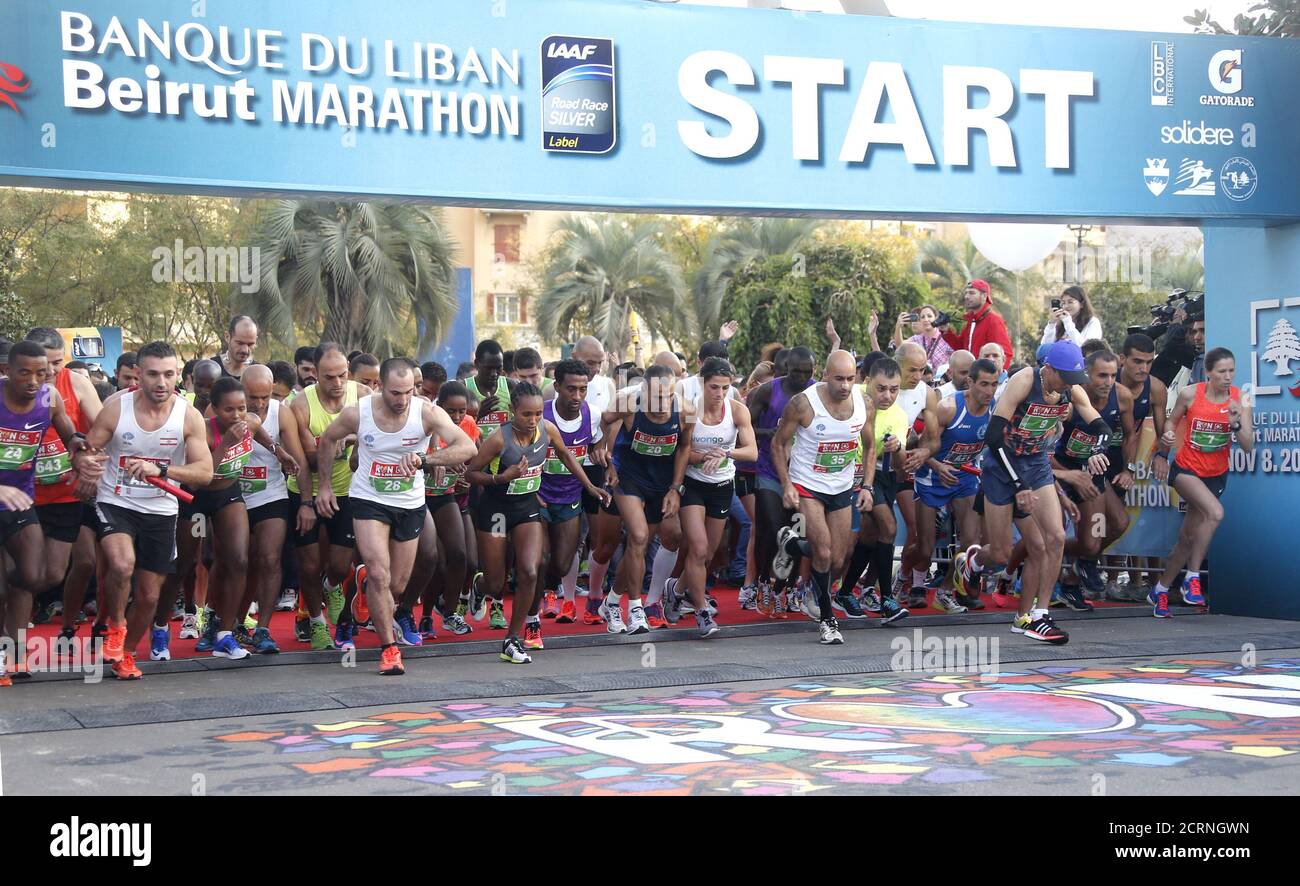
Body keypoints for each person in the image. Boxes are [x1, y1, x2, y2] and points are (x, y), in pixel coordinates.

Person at [318, 358, 474, 675]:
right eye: (394, 393)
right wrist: (323, 487)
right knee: (379, 574)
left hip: (409, 503)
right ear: (380, 387)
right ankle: (389, 650)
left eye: (407, 392)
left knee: (398, 586)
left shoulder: (426, 411)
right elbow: (328, 438)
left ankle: (368, 593)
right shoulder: (359, 412)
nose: (401, 400)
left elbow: (466, 447)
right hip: (369, 500)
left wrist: (425, 459)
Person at [954, 341, 1111, 644]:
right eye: (1064, 377)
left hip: (1036, 463)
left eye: (1074, 379)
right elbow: (993, 437)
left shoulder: (1070, 389)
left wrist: (1099, 449)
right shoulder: (1024, 380)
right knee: (1000, 553)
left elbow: (1101, 425)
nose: (1069, 385)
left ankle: (1036, 615)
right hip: (1001, 467)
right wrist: (1017, 486)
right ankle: (973, 561)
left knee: (1053, 539)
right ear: (1048, 369)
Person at [73, 341, 214, 680]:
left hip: (161, 508)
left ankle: (126, 653)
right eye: (153, 374)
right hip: (115, 500)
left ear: (178, 375)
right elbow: (88, 450)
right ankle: (117, 625)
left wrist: (163, 471)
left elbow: (205, 473)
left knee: (150, 596)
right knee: (122, 564)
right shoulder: (116, 408)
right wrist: (85, 463)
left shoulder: (188, 415)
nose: (161, 383)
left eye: (168, 374)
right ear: (138, 375)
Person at [467, 381, 607, 662]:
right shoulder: (498, 439)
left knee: (530, 571)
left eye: (537, 415)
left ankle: (513, 638)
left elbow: (567, 457)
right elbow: (471, 473)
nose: (533, 421)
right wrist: (502, 478)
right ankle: (479, 586)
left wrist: (590, 487)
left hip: (527, 508)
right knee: (496, 583)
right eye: (525, 415)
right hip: (495, 511)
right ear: (512, 411)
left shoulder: (547, 430)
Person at [769, 350, 874, 645]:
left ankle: (791, 543)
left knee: (839, 557)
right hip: (807, 485)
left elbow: (869, 447)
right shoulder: (803, 404)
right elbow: (777, 445)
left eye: (851, 379)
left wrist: (867, 486)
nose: (844, 385)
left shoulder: (864, 403)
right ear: (825, 375)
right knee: (824, 552)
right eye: (838, 378)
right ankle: (828, 621)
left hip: (841, 487)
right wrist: (787, 484)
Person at [0, 342, 89, 683]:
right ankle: (12, 654)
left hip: (21, 501)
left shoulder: (49, 399)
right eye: (25, 372)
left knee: (35, 575)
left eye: (41, 372)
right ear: (7, 371)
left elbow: (70, 434)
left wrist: (80, 450)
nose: (34, 380)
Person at [1149, 348, 1250, 618]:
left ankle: (1160, 589)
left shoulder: (1239, 399)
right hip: (1185, 469)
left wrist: (1236, 423)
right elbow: (1171, 422)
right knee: (1215, 512)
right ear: (1208, 372)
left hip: (1215, 474)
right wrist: (1167, 439)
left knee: (1187, 538)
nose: (1227, 377)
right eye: (1221, 372)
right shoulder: (1191, 394)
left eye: (1231, 371)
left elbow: (1249, 446)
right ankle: (1192, 578)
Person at [594, 364, 687, 635]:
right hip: (627, 476)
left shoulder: (686, 411)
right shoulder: (628, 404)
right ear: (643, 390)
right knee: (637, 536)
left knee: (642, 545)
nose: (661, 404)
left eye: (666, 397)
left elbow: (684, 447)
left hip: (660, 483)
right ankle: (635, 608)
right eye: (655, 397)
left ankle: (611, 601)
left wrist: (675, 488)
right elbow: (603, 420)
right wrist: (603, 452)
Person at [24, 329, 103, 646]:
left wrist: (91, 472)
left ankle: (67, 626)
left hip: (70, 491)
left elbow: (104, 428)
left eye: (58, 362)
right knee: (26, 570)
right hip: (25, 496)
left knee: (83, 562)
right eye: (46, 364)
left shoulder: (76, 383)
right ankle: (15, 629)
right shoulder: (15, 390)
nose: (52, 371)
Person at [671, 357, 757, 637]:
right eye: (714, 387)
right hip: (694, 485)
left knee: (706, 554)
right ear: (702, 384)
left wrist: (726, 453)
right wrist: (701, 457)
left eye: (725, 387)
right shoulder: (689, 413)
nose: (719, 394)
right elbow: (680, 453)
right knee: (696, 548)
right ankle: (701, 611)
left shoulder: (738, 411)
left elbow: (752, 452)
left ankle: (676, 589)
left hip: (722, 486)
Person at [288, 344, 362, 649]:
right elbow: (309, 460)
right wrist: (307, 502)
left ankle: (332, 586)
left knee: (340, 564)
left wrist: (354, 441)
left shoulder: (363, 397)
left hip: (347, 491)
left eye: (342, 375)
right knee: (308, 565)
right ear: (314, 374)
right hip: (307, 489)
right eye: (329, 377)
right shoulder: (300, 405)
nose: (337, 383)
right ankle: (317, 624)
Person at [1050, 349, 1136, 610]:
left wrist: (1129, 469)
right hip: (1059, 470)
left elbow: (1131, 434)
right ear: (1086, 374)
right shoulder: (1069, 397)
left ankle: (1076, 573)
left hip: (1092, 474)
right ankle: (1043, 552)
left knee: (1117, 524)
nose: (1108, 382)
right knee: (1088, 541)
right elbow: (1044, 446)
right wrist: (1066, 474)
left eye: (1112, 375)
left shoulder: (1122, 396)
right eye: (1101, 375)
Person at [914, 358, 1001, 613]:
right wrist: (939, 467)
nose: (989, 391)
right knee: (925, 547)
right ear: (970, 382)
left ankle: (945, 592)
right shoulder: (949, 407)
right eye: (984, 384)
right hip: (932, 475)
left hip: (963, 477)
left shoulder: (993, 407)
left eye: (994, 385)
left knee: (971, 541)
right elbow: (922, 448)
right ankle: (909, 576)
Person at [238, 365, 312, 654]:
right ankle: (228, 623)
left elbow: (299, 461)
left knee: (270, 559)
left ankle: (263, 628)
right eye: (251, 397)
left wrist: (306, 502)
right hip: (234, 495)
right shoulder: (227, 404)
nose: (257, 404)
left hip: (270, 493)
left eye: (264, 397)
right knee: (236, 562)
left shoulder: (281, 412)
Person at [746, 346, 816, 614]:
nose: (802, 377)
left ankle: (784, 588)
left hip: (803, 474)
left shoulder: (816, 393)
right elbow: (745, 426)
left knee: (797, 531)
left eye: (808, 372)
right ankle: (763, 581)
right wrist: (770, 432)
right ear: (786, 369)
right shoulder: (767, 391)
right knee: (772, 529)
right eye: (797, 372)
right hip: (769, 470)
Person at [536, 360, 602, 629]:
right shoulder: (540, 414)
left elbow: (599, 437)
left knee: (562, 564)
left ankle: (550, 587)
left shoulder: (593, 414)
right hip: (538, 496)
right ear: (557, 387)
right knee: (538, 558)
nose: (577, 396)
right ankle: (532, 614)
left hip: (569, 497)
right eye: (571, 389)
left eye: (583, 390)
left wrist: (600, 448)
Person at [420, 381, 479, 638]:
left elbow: (474, 460)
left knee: (460, 556)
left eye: (461, 411)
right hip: (419, 499)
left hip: (446, 496)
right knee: (436, 562)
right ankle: (423, 616)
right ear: (438, 407)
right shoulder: (424, 422)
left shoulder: (468, 426)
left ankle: (450, 612)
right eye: (450, 410)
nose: (456, 417)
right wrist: (433, 461)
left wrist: (468, 475)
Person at [941, 280, 1014, 370]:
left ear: (984, 296)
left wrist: (996, 380)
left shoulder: (993, 321)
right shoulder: (971, 320)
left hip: (985, 380)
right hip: (973, 377)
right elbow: (961, 348)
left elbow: (1006, 354)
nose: (967, 296)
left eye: (972, 293)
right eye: (966, 293)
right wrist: (946, 331)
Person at [893, 305, 955, 374]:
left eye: (929, 316)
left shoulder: (945, 338)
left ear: (936, 318)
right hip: (921, 381)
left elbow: (957, 357)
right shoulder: (916, 339)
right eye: (922, 317)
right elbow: (900, 346)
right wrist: (898, 326)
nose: (926, 319)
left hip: (942, 382)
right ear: (920, 320)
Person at [213, 316, 259, 380]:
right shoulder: (211, 368)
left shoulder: (259, 374)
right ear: (227, 337)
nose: (245, 350)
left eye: (250, 344)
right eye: (240, 343)